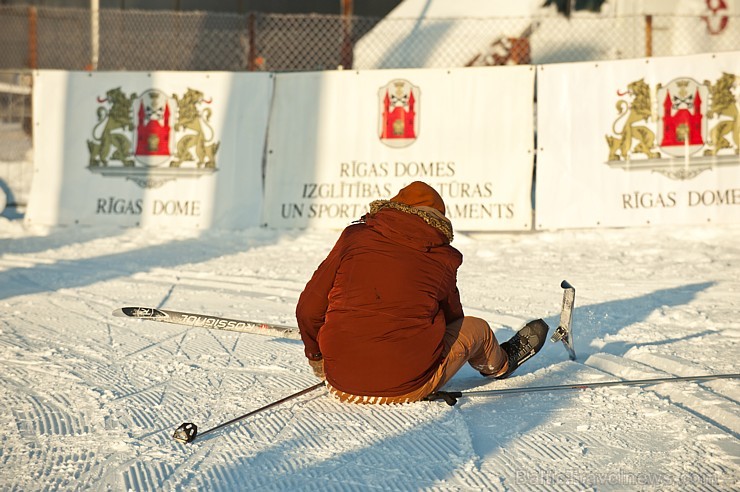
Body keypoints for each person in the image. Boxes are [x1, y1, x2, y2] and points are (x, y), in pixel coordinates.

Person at [296, 181, 548, 404]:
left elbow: (308, 308)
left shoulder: (355, 236)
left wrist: (317, 357)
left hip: (340, 383)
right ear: (439, 220)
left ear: (393, 206)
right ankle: (501, 364)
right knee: (478, 329)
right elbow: (454, 321)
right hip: (408, 386)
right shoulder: (442, 257)